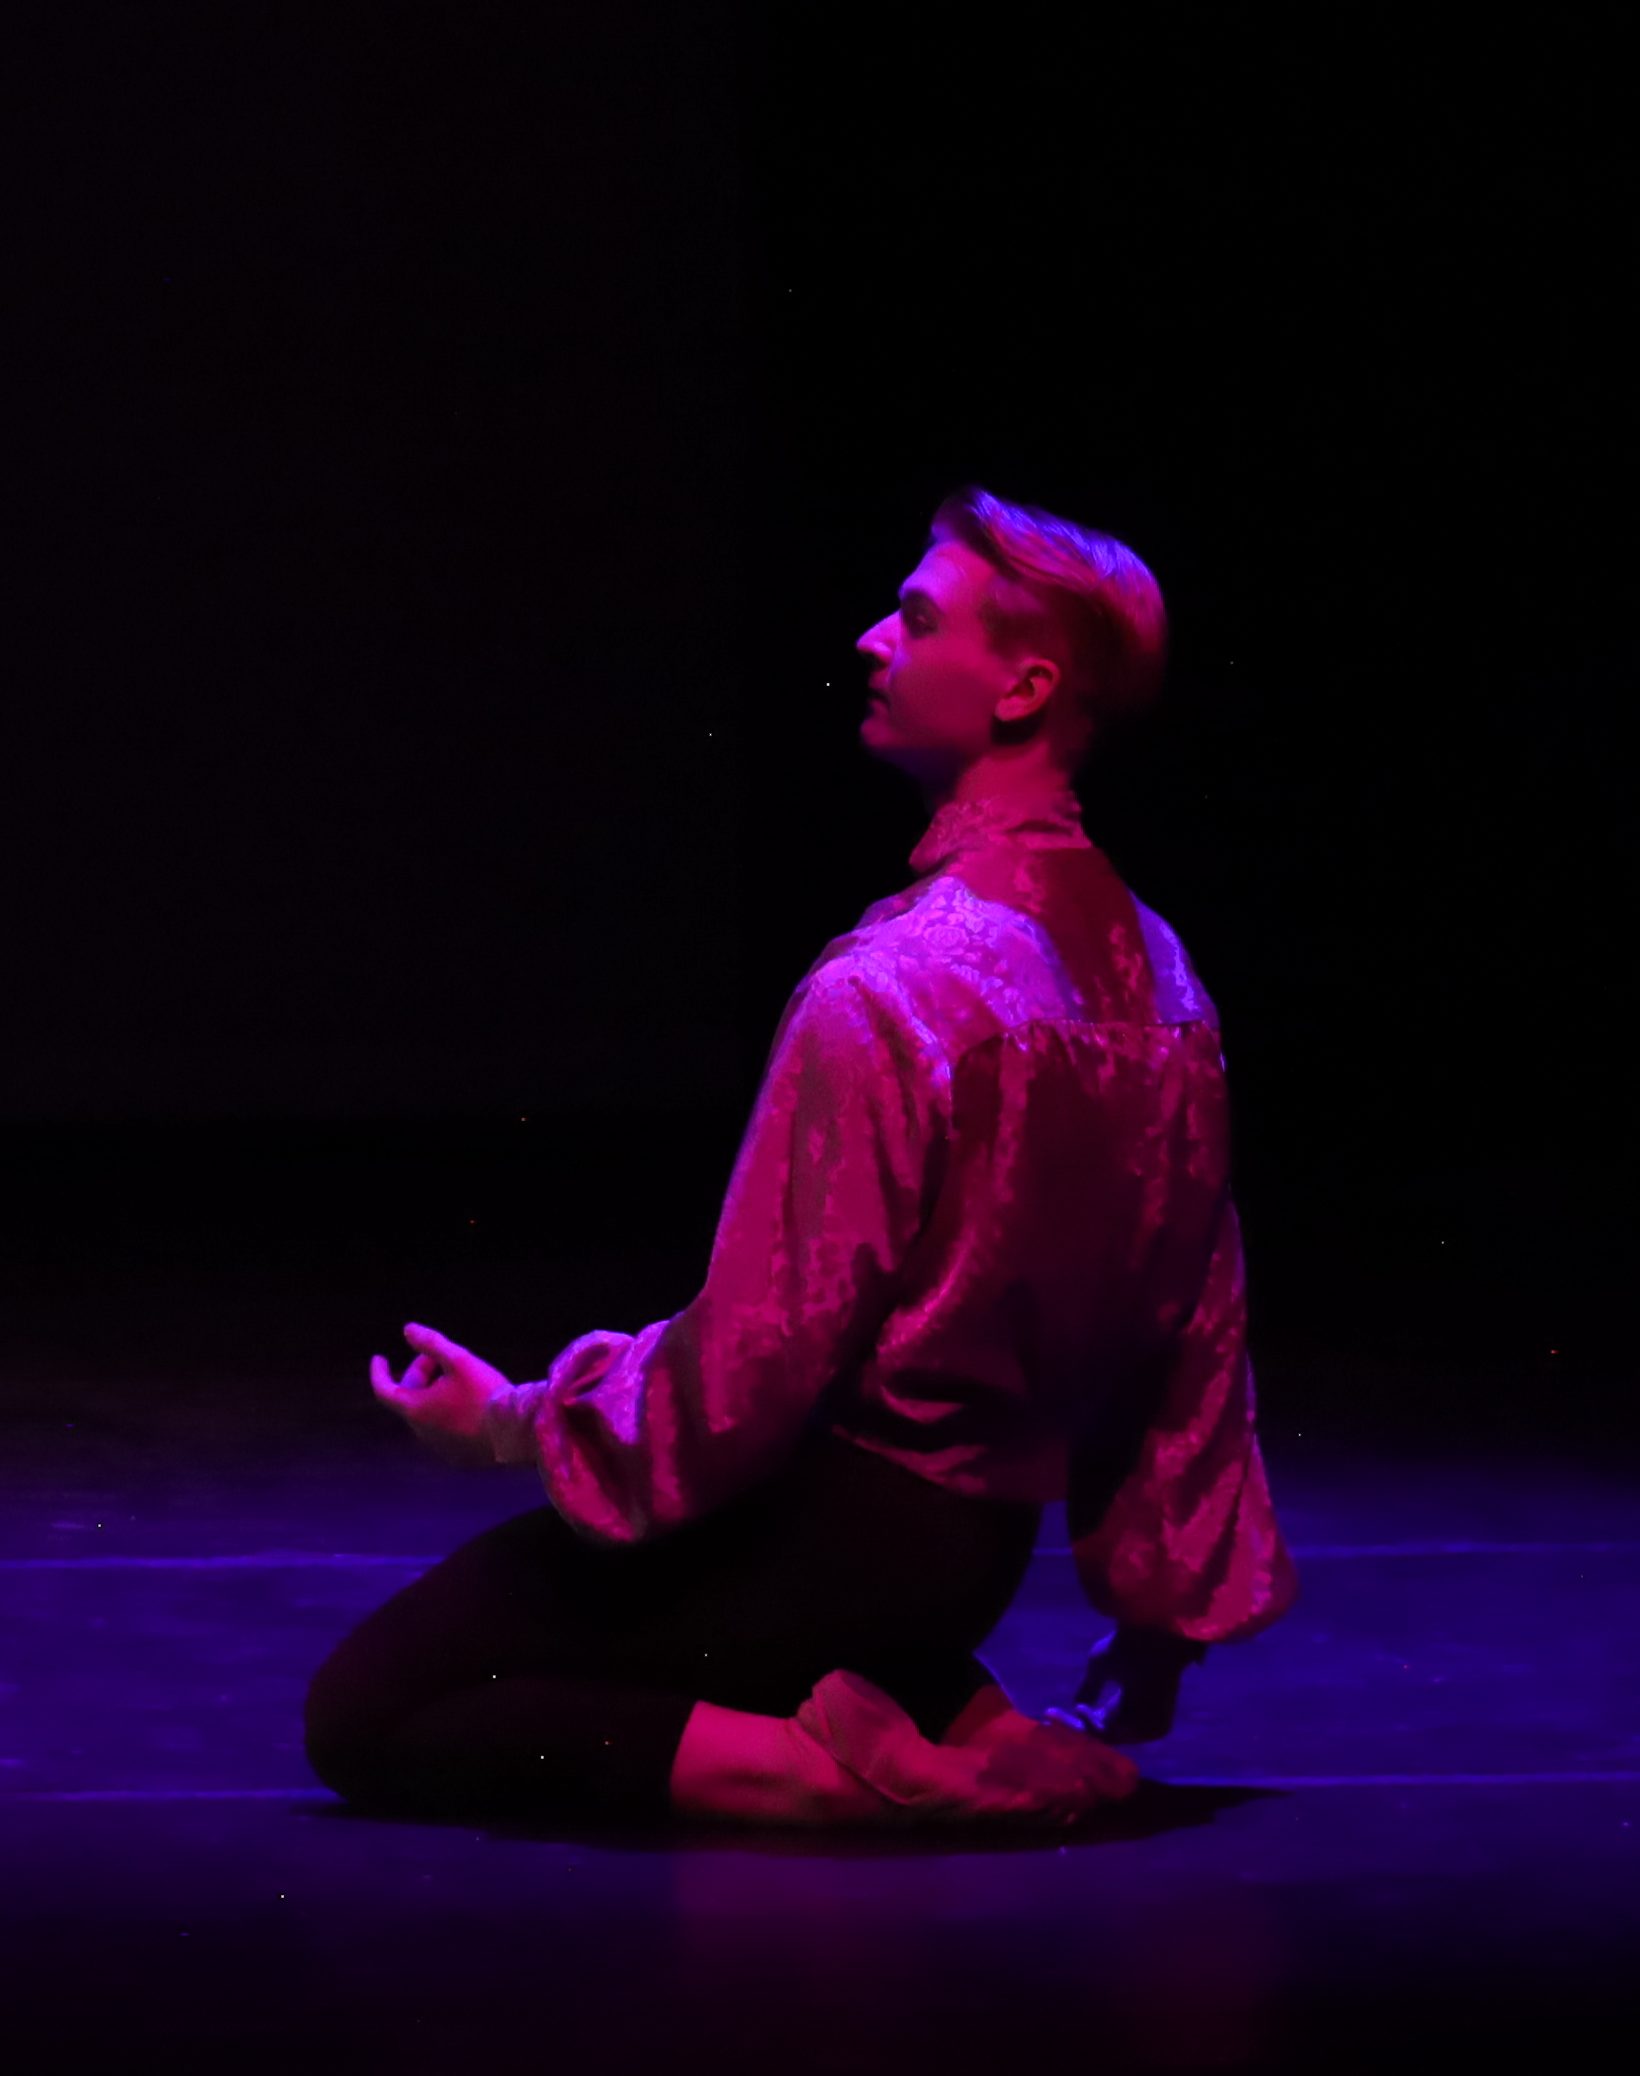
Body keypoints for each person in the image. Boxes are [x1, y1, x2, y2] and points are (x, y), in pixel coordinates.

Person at [303, 484, 1299, 1832]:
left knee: (372, 1711)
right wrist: (1159, 1622)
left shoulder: (896, 986)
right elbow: (1191, 1321)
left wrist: (516, 1422)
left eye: (918, 619)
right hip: (968, 1562)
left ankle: (843, 1777)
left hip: (835, 1536)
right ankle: (929, 1707)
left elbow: (755, 1359)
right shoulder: (1165, 979)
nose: (873, 639)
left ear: (1023, 689)